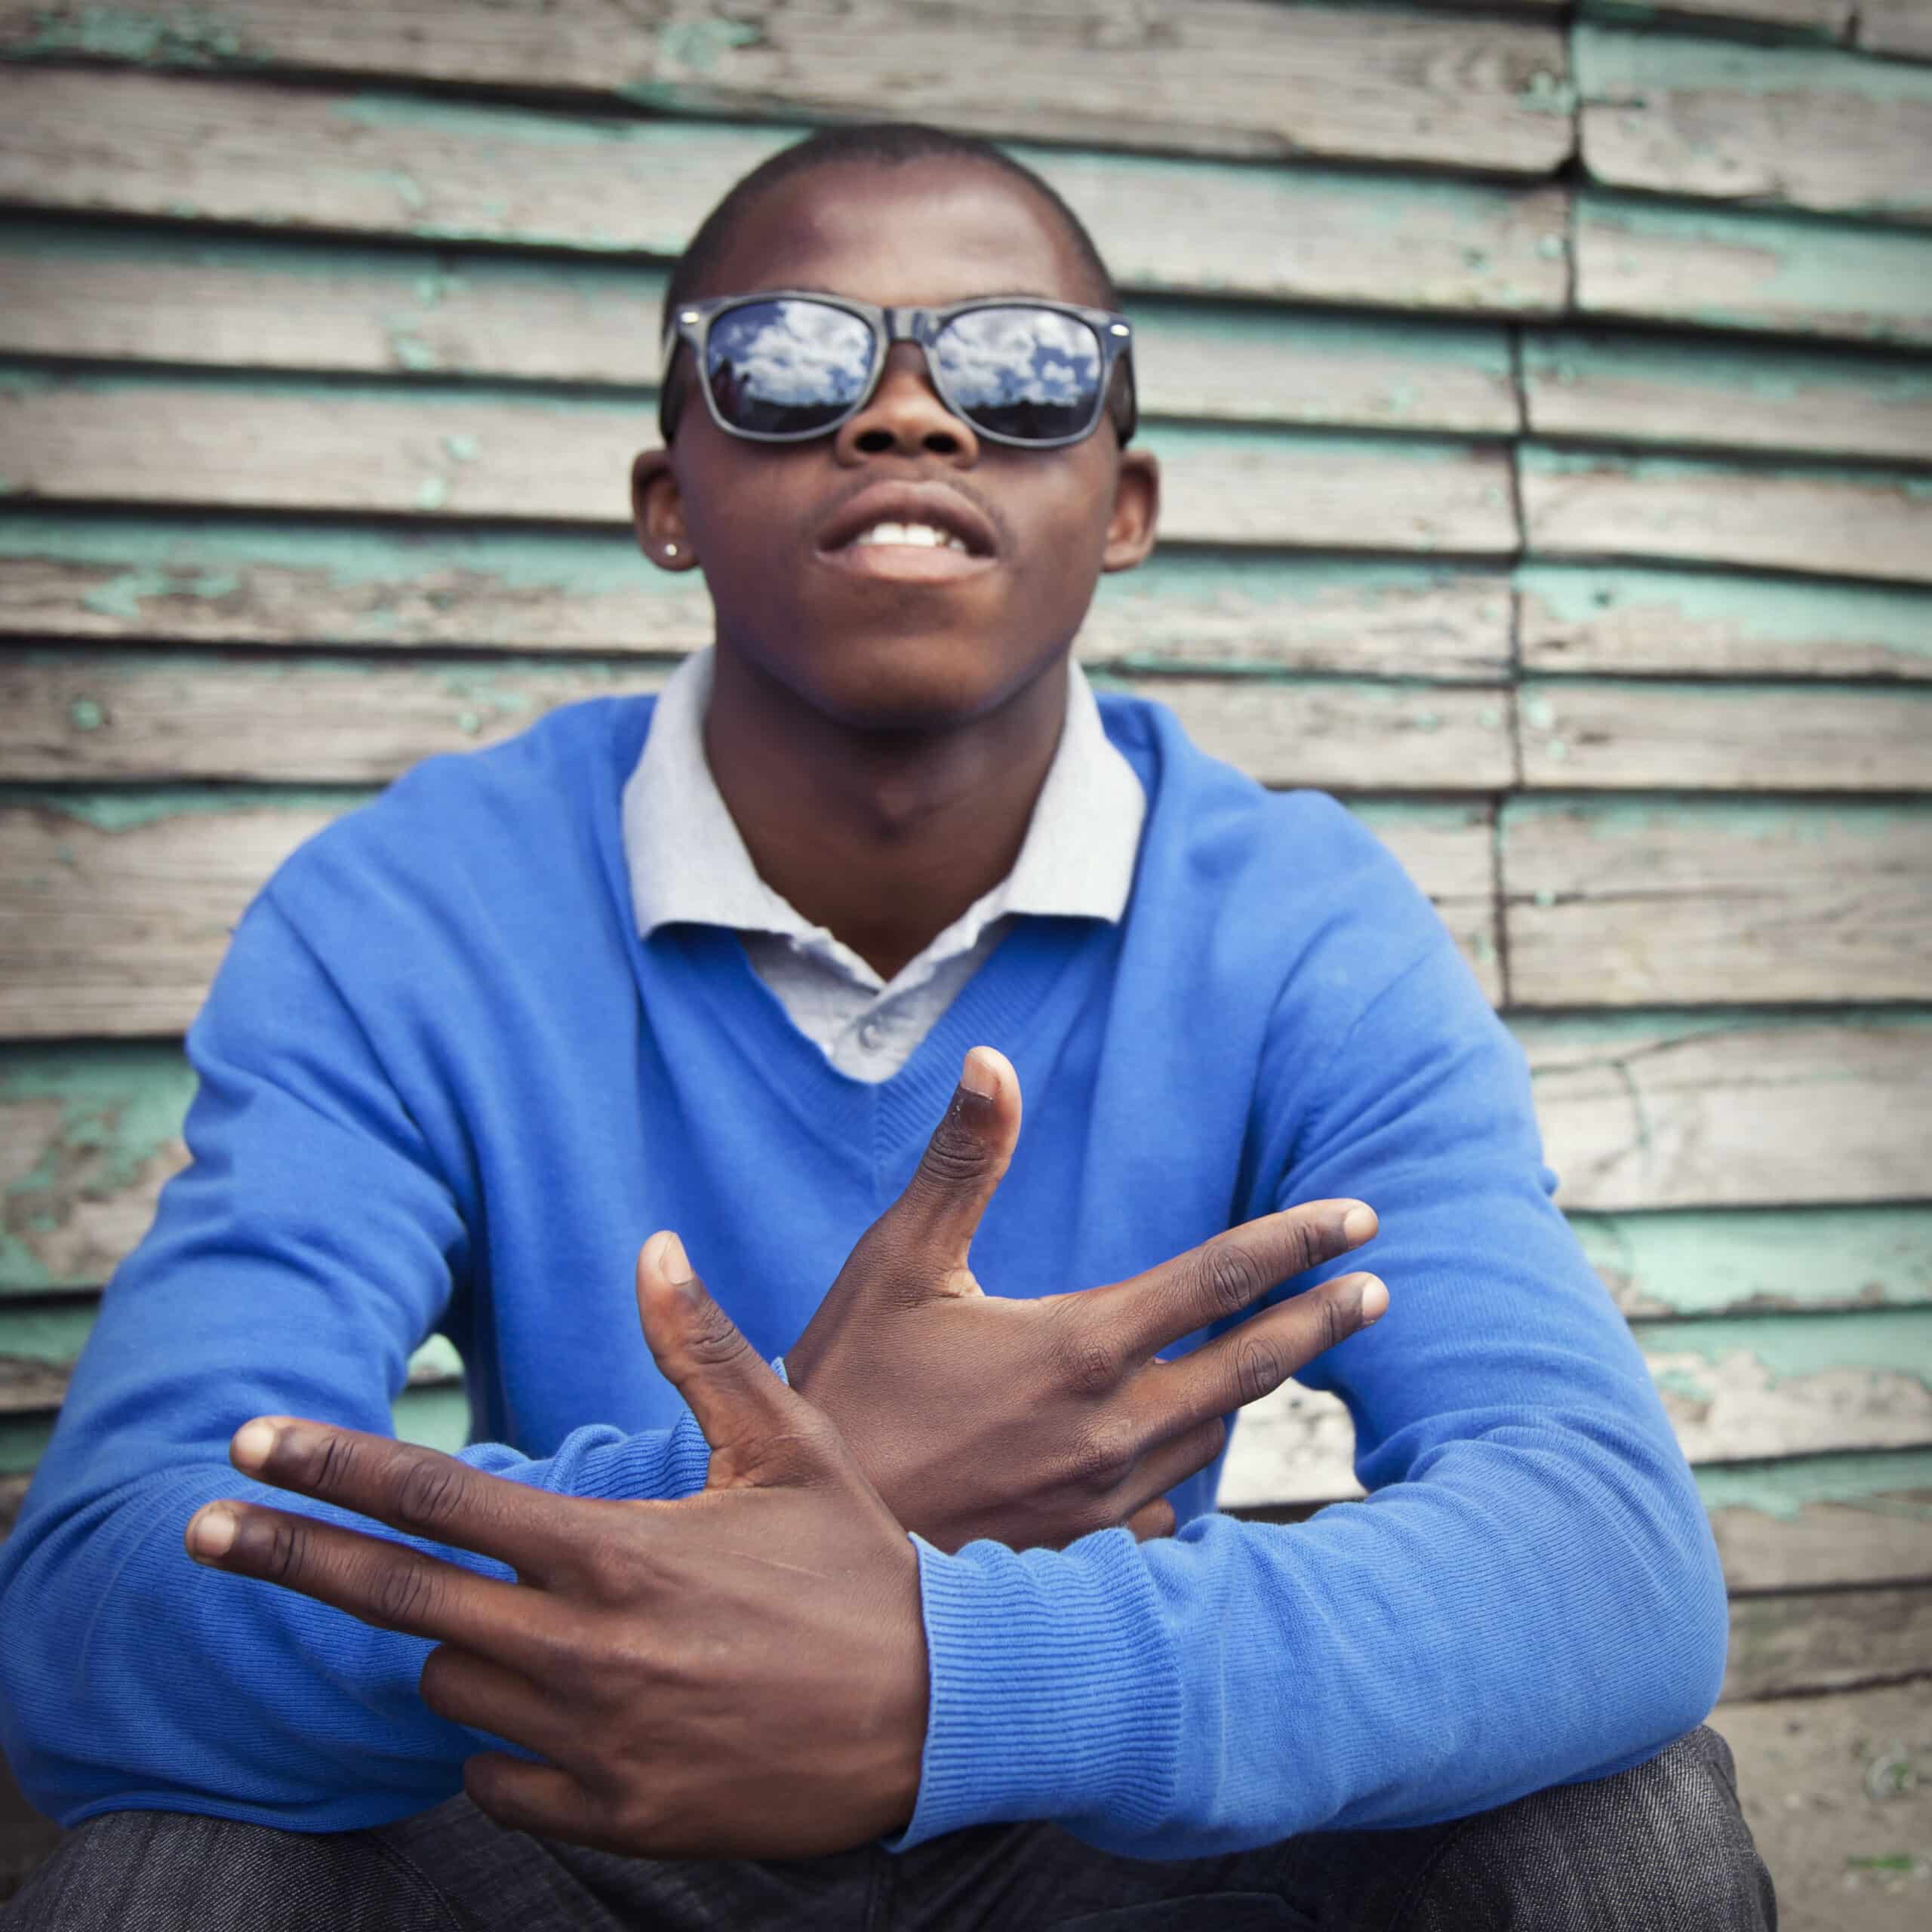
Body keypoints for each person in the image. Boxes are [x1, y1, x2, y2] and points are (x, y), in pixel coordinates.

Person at [0, 124, 1774, 1929]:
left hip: (1083, 1810)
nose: (908, 417)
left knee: (1613, 1829)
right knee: (172, 1868)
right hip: (582, 1790)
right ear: (665, 489)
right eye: (786, 362)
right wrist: (751, 1510)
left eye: (1019, 371)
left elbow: (1602, 1550)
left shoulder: (1298, 921)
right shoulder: (406, 909)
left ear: (1126, 502)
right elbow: (99, 1588)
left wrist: (963, 1674)